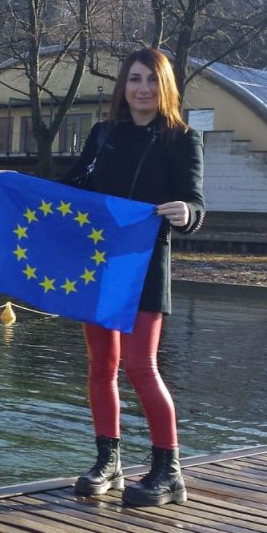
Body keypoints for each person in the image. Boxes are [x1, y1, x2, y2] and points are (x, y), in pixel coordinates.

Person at [62, 47, 204, 507]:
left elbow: (195, 203)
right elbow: (70, 188)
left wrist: (187, 213)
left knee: (141, 366)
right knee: (101, 366)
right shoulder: (103, 135)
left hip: (146, 265)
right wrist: (14, 184)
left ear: (166, 87)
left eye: (151, 80)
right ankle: (109, 463)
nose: (143, 89)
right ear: (123, 86)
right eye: (134, 79)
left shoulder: (183, 139)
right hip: (100, 264)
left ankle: (169, 472)